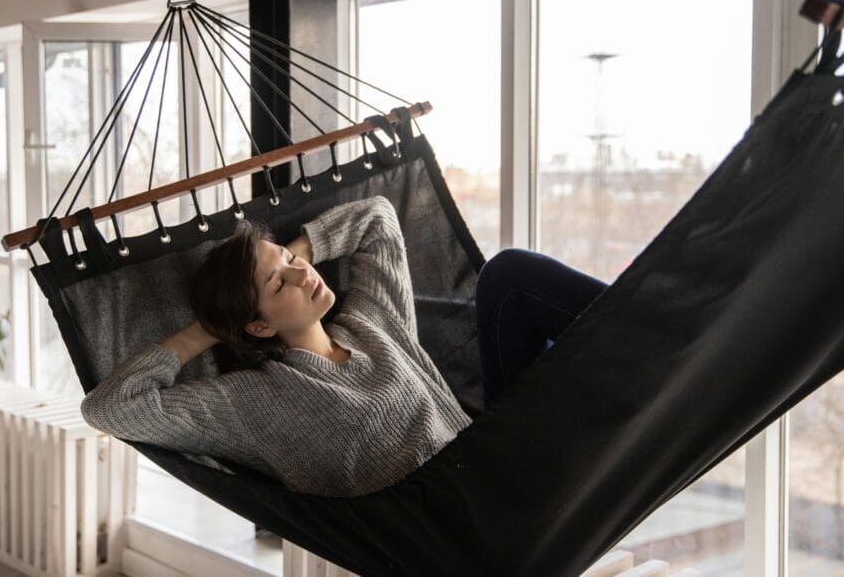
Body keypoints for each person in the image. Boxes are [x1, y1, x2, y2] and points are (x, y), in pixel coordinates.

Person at [80, 195, 607, 497]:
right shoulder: (253, 402)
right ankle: (650, 341)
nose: (300, 272)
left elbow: (378, 218)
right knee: (513, 276)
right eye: (278, 283)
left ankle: (656, 334)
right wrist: (207, 330)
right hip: (462, 518)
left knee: (508, 276)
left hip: (502, 459)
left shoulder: (372, 321)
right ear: (259, 328)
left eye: (291, 261)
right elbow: (110, 409)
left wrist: (289, 255)